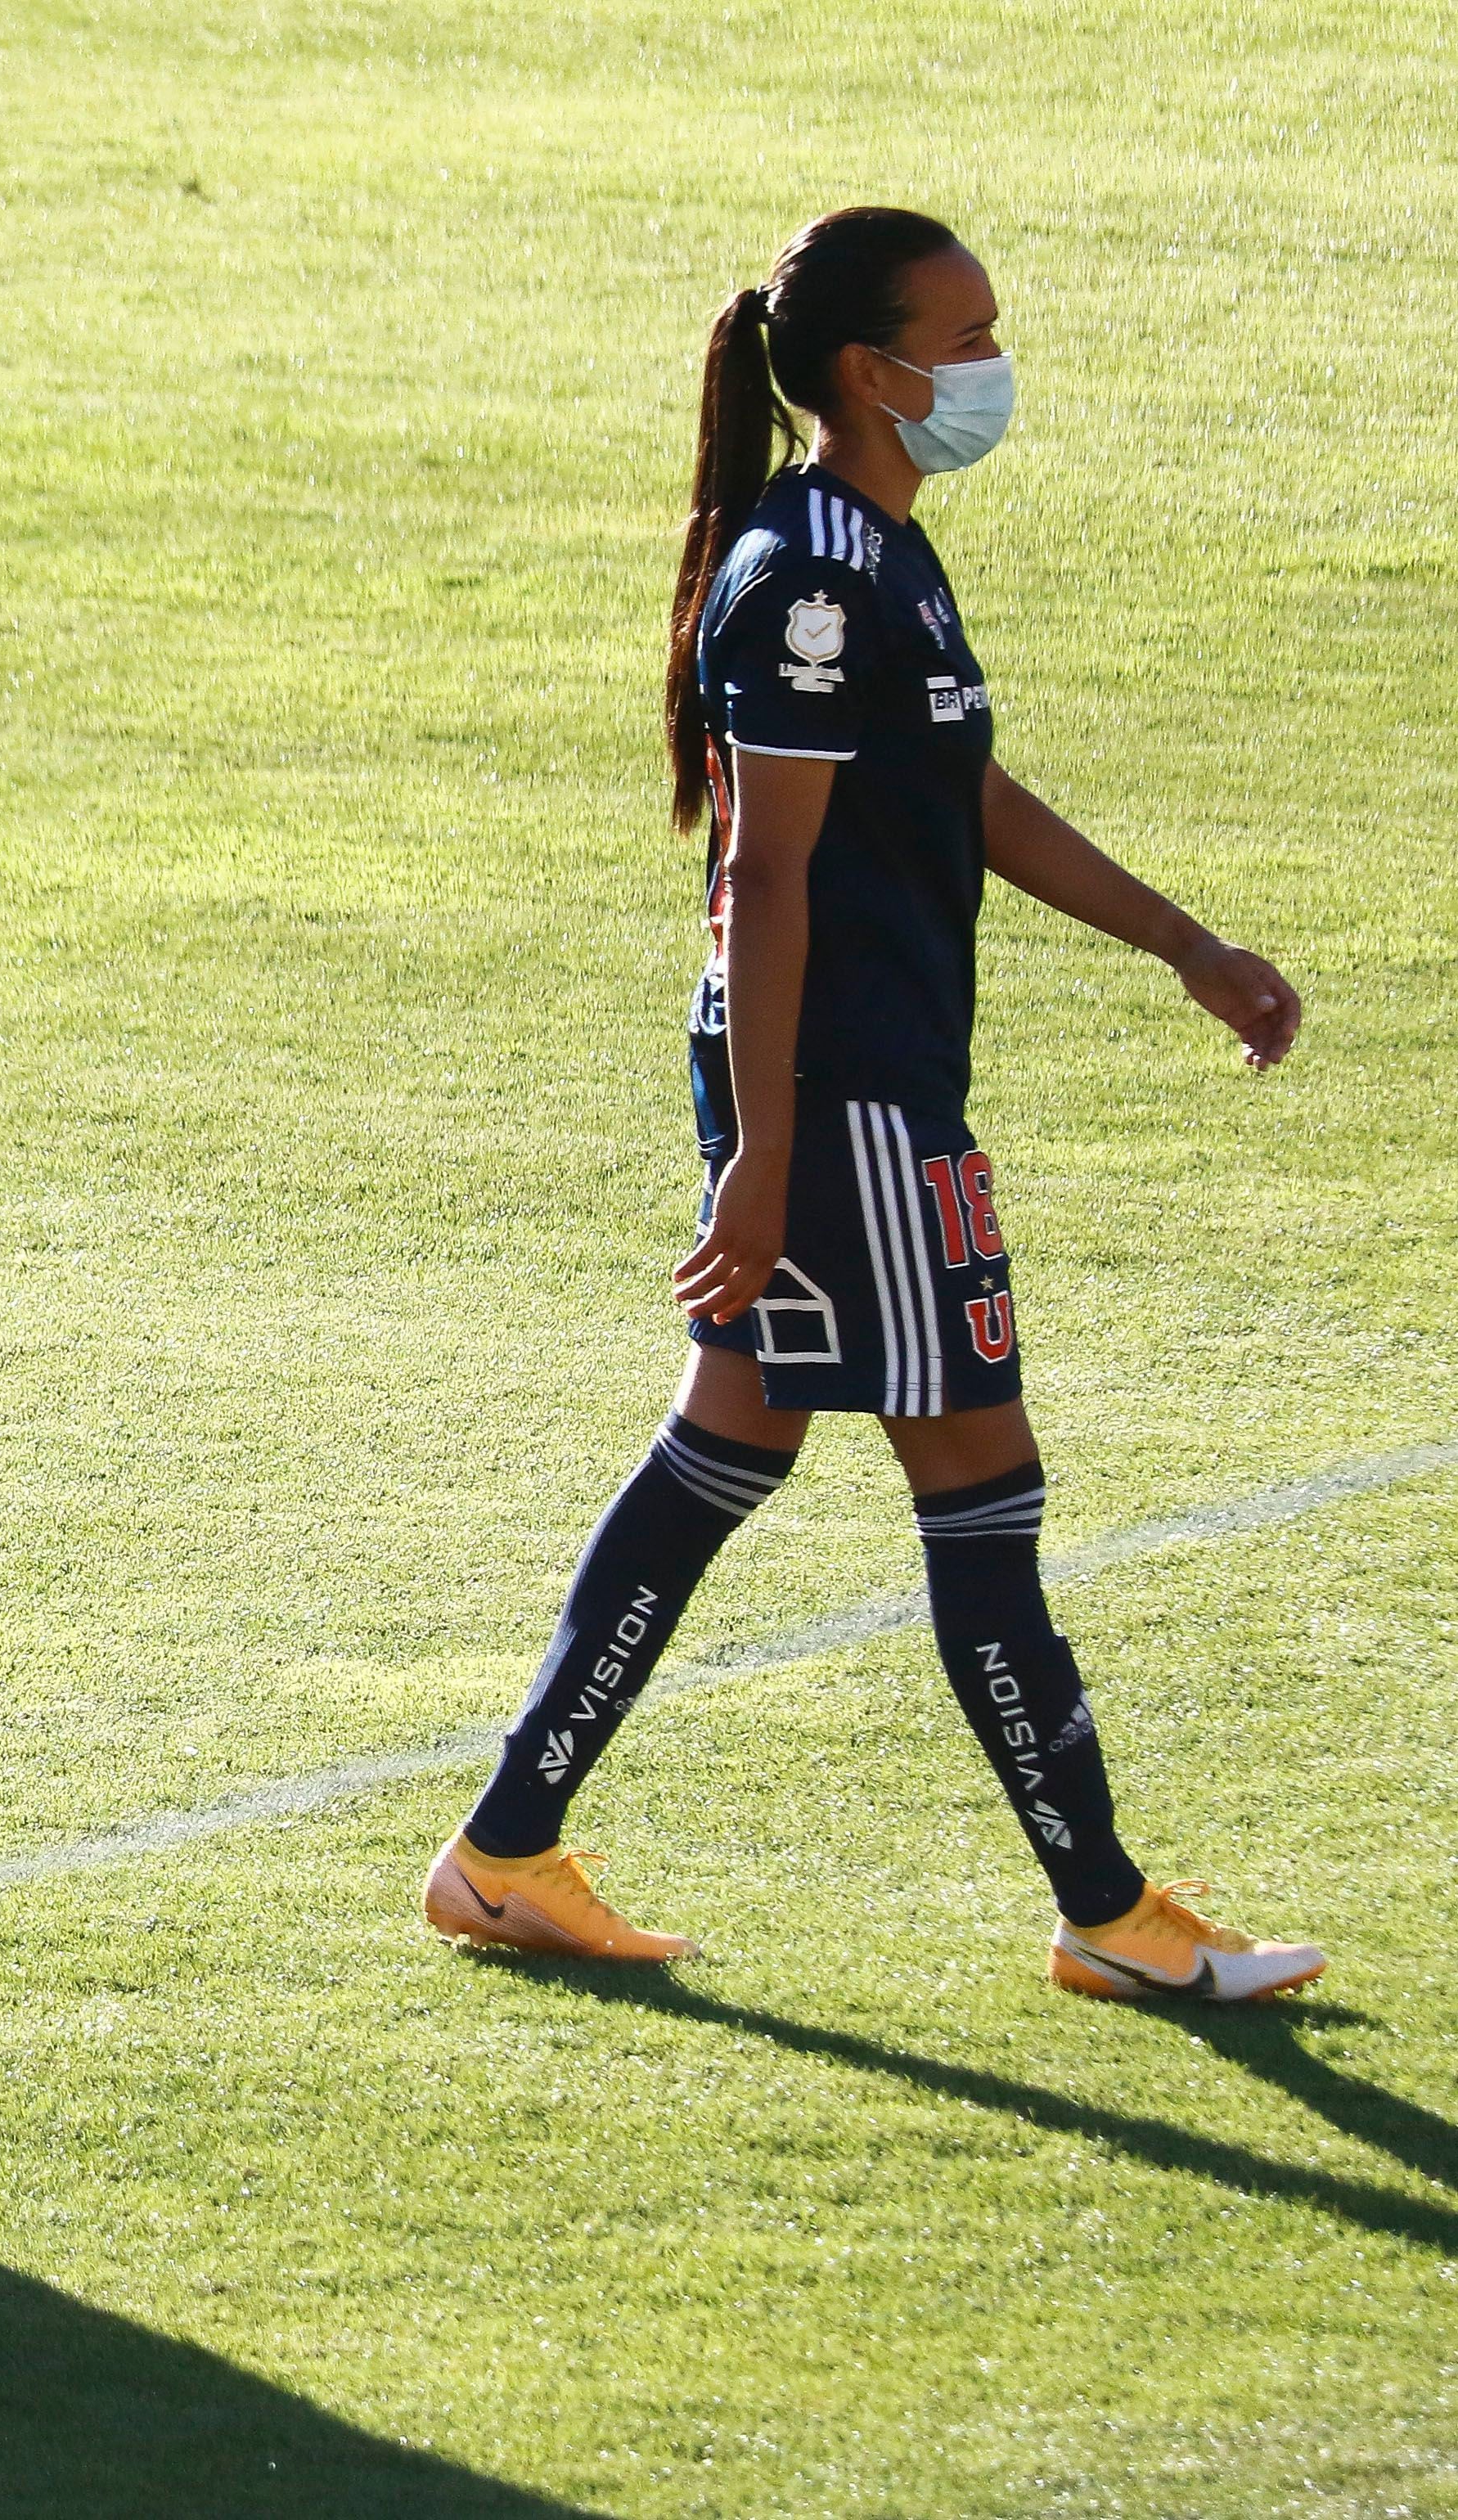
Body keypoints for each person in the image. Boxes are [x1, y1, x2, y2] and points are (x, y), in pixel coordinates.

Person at [422, 209, 1324, 2000]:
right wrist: (764, 1155)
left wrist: (1183, 943)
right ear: (871, 370)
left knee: (731, 1447)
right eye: (968, 333)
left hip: (833, 1084)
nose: (993, 363)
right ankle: (1111, 1911)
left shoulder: (878, 553)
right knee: (980, 1480)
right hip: (839, 1098)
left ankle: (504, 1852)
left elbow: (960, 788)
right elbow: (766, 871)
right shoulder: (818, 578)